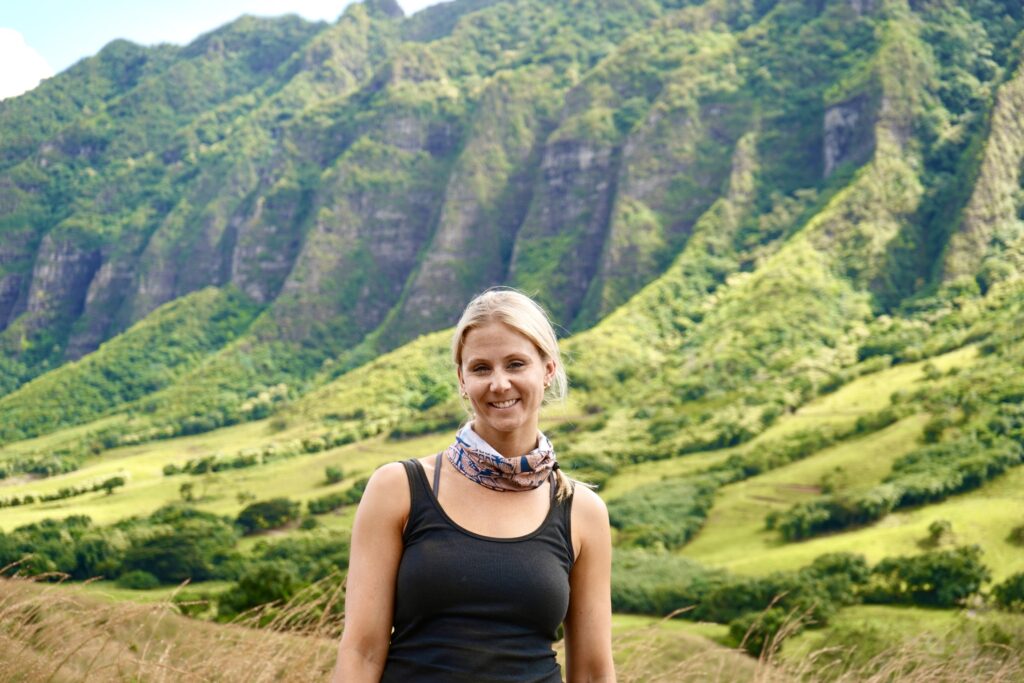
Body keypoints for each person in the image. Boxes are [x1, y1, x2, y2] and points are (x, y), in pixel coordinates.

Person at [332, 288, 615, 682]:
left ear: (547, 370)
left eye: (516, 364)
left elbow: (593, 672)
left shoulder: (580, 510)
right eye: (481, 368)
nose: (499, 384)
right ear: (462, 379)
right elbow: (361, 652)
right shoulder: (399, 489)